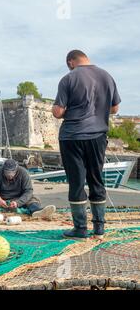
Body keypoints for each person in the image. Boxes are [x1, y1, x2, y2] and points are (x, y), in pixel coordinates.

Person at [53, 50, 121, 240]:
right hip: (97, 136)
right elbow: (115, 108)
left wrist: (69, 110)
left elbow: (58, 112)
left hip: (72, 137)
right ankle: (99, 229)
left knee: (76, 182)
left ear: (70, 62)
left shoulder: (68, 79)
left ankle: (80, 228)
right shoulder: (107, 76)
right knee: (96, 179)